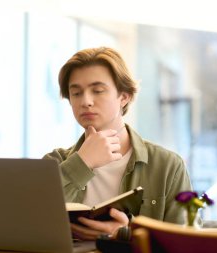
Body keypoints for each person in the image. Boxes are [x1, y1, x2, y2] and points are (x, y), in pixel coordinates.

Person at [43, 47, 193, 240]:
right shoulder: (53, 163)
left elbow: (185, 244)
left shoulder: (168, 166)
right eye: (76, 93)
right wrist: (82, 163)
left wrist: (125, 235)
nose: (86, 101)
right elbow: (32, 225)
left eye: (98, 91)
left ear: (124, 96)